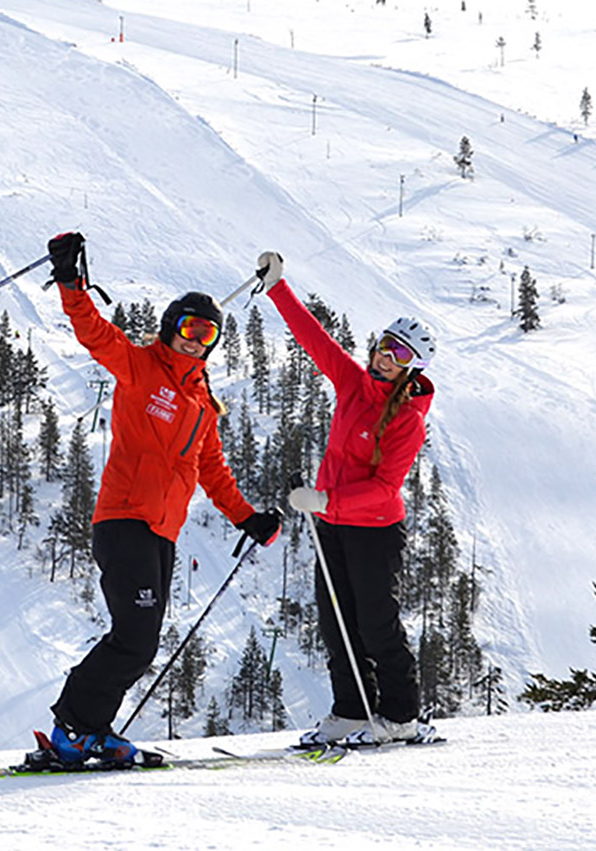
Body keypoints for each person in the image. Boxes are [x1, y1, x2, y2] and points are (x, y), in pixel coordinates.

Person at [42, 231, 283, 766]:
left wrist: (249, 519)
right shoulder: (140, 367)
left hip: (161, 532)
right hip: (124, 519)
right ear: (171, 328)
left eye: (209, 333)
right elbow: (94, 333)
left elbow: (212, 470)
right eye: (190, 329)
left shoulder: (203, 403)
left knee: (141, 640)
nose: (198, 340)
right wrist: (70, 280)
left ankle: (89, 729)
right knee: (133, 635)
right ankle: (74, 729)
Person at [254, 251, 438, 745]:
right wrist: (278, 287)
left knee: (376, 623)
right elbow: (315, 340)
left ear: (412, 368)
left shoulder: (407, 421)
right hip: (332, 523)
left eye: (399, 356)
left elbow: (384, 488)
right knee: (336, 623)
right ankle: (352, 711)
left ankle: (400, 716)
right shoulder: (354, 384)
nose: (385, 358)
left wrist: (324, 501)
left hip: (374, 530)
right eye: (384, 346)